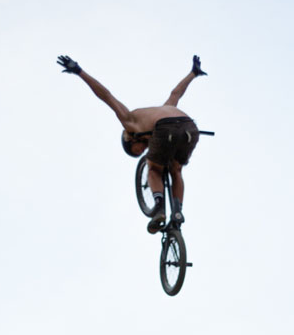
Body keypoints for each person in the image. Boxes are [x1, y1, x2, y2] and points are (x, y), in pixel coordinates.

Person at [57, 53, 207, 232]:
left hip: (166, 128)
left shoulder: (130, 121)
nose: (143, 151)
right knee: (176, 169)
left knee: (153, 168)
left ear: (130, 139)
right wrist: (193, 73)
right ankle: (177, 213)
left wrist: (79, 71)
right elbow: (176, 93)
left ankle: (159, 208)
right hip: (190, 127)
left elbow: (106, 96)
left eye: (138, 151)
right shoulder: (165, 107)